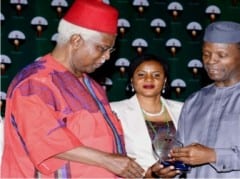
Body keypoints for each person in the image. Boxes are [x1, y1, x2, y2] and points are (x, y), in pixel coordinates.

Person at [1, 0, 144, 178]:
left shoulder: (93, 86)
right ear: (76, 40)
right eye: (101, 48)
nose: (107, 57)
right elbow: (44, 140)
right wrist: (107, 160)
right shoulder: (36, 82)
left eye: (110, 50)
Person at [170, 21, 240, 178]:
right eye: (206, 54)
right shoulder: (194, 101)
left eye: (221, 55)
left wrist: (213, 155)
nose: (211, 61)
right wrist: (170, 168)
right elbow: (180, 149)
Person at [110, 54, 183, 178]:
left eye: (156, 75)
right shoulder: (114, 111)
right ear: (132, 80)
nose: (149, 79)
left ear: (164, 81)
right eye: (141, 75)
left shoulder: (182, 109)